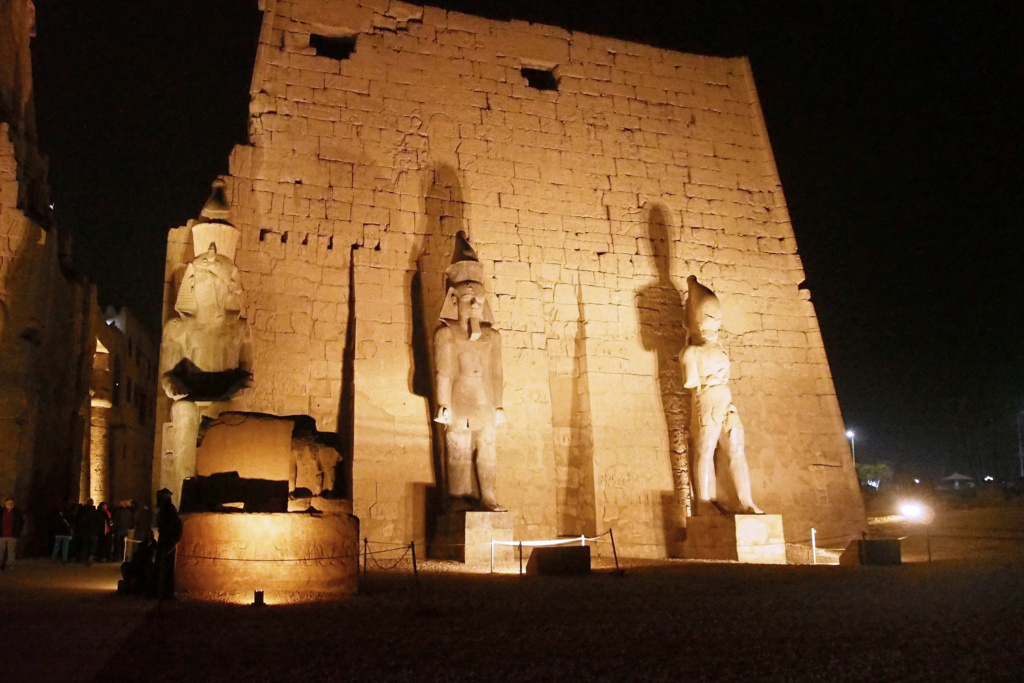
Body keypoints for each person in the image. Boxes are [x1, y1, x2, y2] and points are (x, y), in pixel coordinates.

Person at [433, 231, 506, 513]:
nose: (475, 305)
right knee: (459, 446)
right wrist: (443, 404)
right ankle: (459, 498)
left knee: (488, 446)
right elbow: (444, 372)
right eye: (468, 299)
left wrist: (498, 405)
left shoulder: (491, 336)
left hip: (484, 398)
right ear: (454, 300)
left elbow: (496, 373)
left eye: (479, 300)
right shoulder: (447, 334)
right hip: (459, 395)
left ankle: (488, 495)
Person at [679, 276, 763, 516]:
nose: (712, 329)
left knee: (736, 449)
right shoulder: (691, 352)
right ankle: (704, 503)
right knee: (705, 448)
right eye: (708, 325)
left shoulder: (719, 348)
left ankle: (746, 501)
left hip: (725, 400)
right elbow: (690, 381)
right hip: (708, 400)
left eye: (715, 325)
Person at [154, 488, 182, 599]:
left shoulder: (169, 509)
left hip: (168, 541)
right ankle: (162, 592)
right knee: (163, 567)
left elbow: (176, 525)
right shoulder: (165, 509)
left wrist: (174, 540)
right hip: (165, 540)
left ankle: (166, 593)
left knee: (167, 568)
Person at [1, 497, 25, 571]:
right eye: (8, 503)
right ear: (5, 503)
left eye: (11, 503)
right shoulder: (2, 511)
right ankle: (1, 564)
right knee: (1, 551)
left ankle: (10, 565)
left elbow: (21, 522)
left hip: (12, 535)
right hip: (2, 534)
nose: (10, 504)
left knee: (11, 551)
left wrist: (17, 532)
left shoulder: (16, 512)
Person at [74, 498, 99, 565]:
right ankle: (89, 558)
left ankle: (84, 559)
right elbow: (98, 522)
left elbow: (78, 521)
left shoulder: (82, 511)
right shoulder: (95, 512)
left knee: (85, 546)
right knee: (92, 546)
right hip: (92, 532)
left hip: (84, 531)